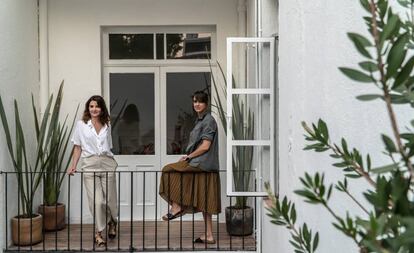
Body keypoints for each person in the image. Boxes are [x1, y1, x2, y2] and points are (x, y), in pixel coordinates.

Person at [159, 90, 221, 244]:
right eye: (194, 101)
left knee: (168, 170)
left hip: (202, 163)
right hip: (200, 164)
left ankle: (177, 206)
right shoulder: (199, 121)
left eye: (200, 101)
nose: (197, 104)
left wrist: (189, 156)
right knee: (205, 200)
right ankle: (209, 235)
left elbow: (206, 146)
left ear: (206, 104)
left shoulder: (209, 120)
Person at [67, 95, 118, 247]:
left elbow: (109, 146)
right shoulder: (81, 125)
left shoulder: (107, 124)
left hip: (107, 163)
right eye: (91, 106)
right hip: (89, 165)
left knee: (110, 200)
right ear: (88, 108)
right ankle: (98, 232)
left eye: (97, 106)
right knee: (97, 201)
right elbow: (77, 147)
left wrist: (111, 161)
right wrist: (73, 165)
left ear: (102, 109)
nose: (94, 109)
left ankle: (112, 222)